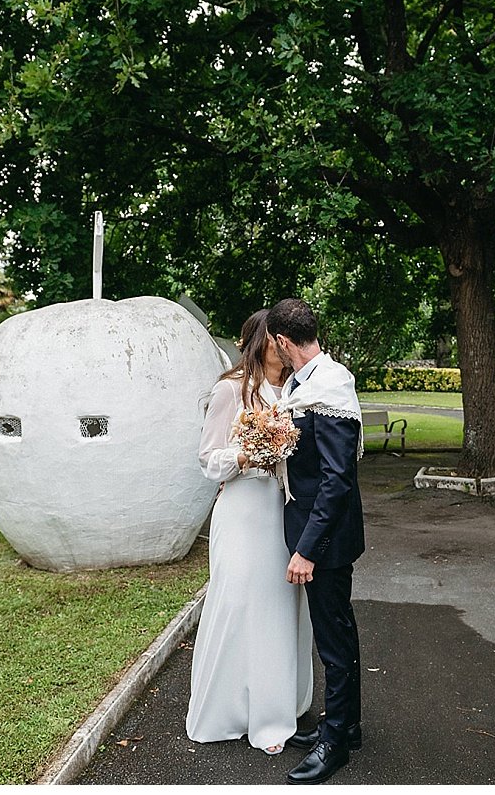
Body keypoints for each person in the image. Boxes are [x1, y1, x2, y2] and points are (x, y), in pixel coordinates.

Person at [185, 309, 313, 755]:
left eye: (286, 340)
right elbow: (207, 461)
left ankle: (276, 709)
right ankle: (230, 708)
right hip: (242, 511)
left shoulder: (298, 391)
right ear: (260, 342)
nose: (283, 346)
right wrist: (245, 457)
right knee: (238, 602)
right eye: (276, 339)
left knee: (278, 607)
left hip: (284, 512)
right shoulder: (230, 390)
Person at [267, 298, 365, 785]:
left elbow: (336, 480)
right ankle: (346, 725)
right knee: (337, 629)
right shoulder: (298, 386)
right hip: (313, 528)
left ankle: (335, 746)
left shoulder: (330, 384)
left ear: (284, 342)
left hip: (325, 537)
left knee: (331, 637)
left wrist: (307, 549)